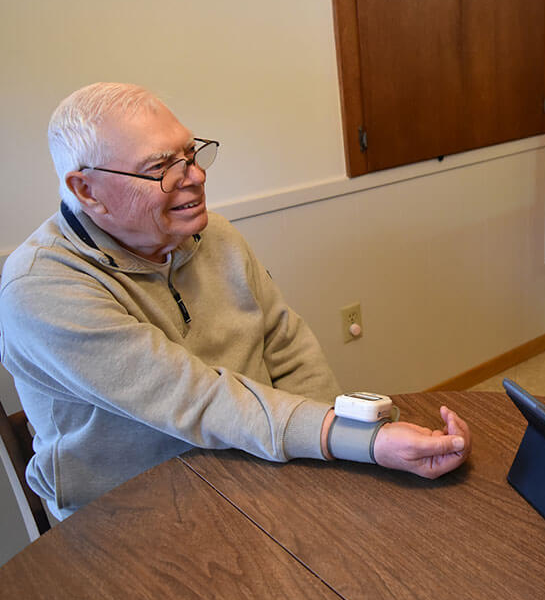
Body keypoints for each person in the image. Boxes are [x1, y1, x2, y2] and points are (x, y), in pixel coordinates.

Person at [0, 82, 470, 521]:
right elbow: (196, 398)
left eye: (191, 153)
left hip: (260, 469)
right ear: (87, 190)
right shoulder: (40, 287)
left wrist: (349, 453)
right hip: (134, 513)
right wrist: (358, 441)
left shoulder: (212, 233)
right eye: (162, 167)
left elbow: (285, 345)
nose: (196, 177)